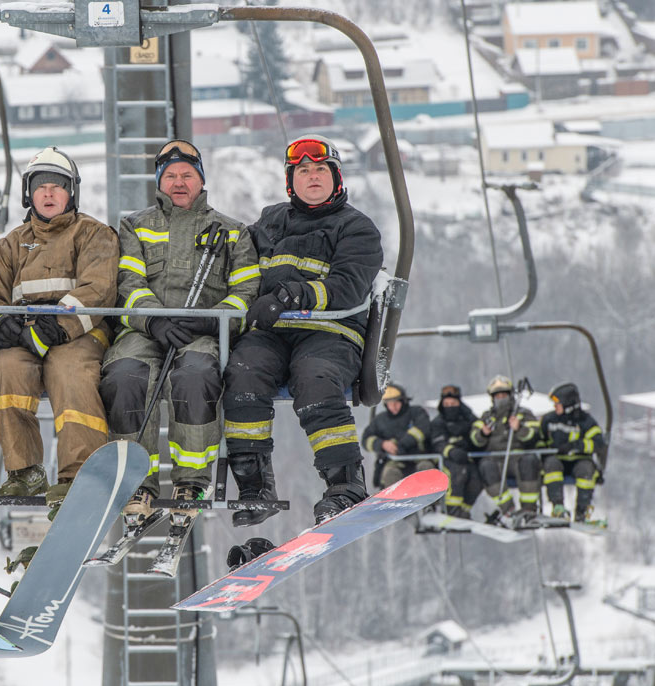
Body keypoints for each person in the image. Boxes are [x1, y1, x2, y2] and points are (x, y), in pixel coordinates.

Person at [222, 134, 383, 525]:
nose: (312, 177)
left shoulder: (356, 228)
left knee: (316, 380)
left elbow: (347, 288)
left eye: (321, 170)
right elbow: (240, 258)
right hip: (271, 331)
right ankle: (254, 486)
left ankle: (344, 484)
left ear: (337, 178)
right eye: (304, 171)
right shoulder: (271, 220)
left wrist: (289, 297)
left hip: (330, 330)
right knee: (241, 376)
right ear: (290, 181)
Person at [99, 139, 259, 525]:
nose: (179, 182)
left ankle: (190, 482)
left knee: (196, 376)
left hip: (204, 333)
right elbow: (128, 282)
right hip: (145, 331)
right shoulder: (135, 226)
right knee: (124, 376)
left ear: (202, 180)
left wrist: (212, 320)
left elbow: (246, 291)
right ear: (159, 182)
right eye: (170, 176)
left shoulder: (232, 232)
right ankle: (137, 482)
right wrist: (154, 319)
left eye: (187, 175)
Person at [0, 146, 118, 520]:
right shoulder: (10, 245)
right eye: (40, 186)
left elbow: (98, 290)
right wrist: (3, 325)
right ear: (28, 193)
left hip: (79, 336)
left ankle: (79, 475)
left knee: (69, 373)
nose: (48, 193)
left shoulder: (93, 235)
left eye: (57, 186)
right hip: (25, 339)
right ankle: (25, 470)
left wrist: (56, 327)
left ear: (71, 192)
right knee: (7, 369)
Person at [470, 375, 541, 524]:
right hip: (496, 460)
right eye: (497, 396)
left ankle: (529, 508)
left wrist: (519, 428)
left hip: (518, 458)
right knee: (485, 466)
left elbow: (533, 436)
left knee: (529, 461)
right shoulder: (486, 417)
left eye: (504, 395)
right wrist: (483, 433)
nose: (501, 399)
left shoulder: (523, 414)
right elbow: (474, 439)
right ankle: (508, 508)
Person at [539, 382, 606, 523]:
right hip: (557, 460)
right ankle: (558, 507)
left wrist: (576, 446)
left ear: (568, 405)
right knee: (551, 465)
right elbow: (540, 440)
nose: (554, 407)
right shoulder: (549, 420)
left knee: (586, 470)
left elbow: (598, 444)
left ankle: (581, 511)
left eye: (558, 404)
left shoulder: (586, 422)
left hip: (579, 460)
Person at [361, 383, 435, 490]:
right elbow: (366, 439)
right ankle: (394, 504)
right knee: (390, 474)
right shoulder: (380, 420)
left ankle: (429, 504)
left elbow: (423, 429)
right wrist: (382, 444)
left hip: (420, 457)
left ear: (403, 401)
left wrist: (402, 445)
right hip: (393, 462)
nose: (393, 407)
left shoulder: (417, 412)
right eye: (389, 403)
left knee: (426, 470)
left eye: (396, 402)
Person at [428, 384, 480, 518]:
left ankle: (464, 510)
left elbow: (477, 432)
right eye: (447, 404)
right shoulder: (438, 422)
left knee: (476, 479)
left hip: (467, 459)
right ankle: (452, 510)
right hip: (446, 460)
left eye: (453, 403)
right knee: (457, 474)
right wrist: (451, 451)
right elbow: (437, 442)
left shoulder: (469, 419)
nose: (450, 406)